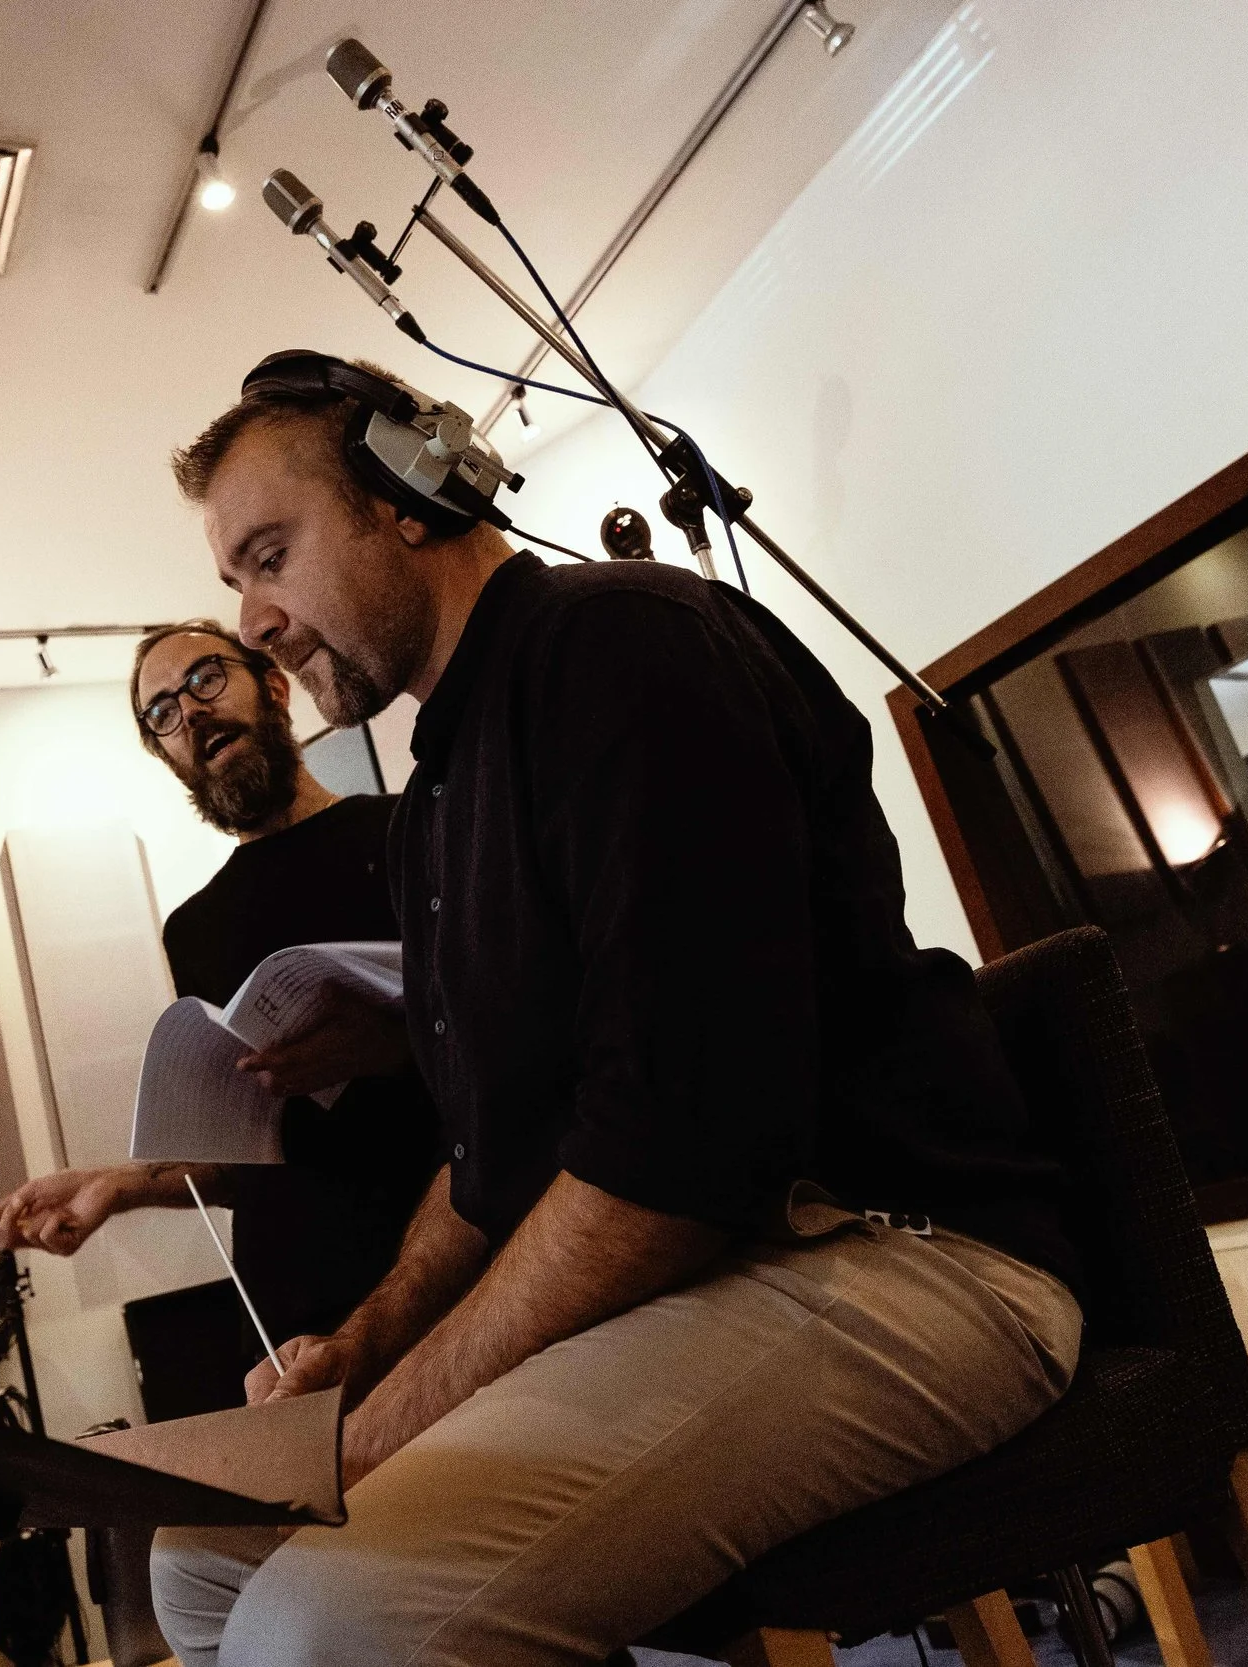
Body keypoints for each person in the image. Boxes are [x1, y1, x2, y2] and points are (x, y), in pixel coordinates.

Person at [145, 355, 1086, 1667]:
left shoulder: (625, 645)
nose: (254, 619)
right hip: (715, 1271)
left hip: (898, 1254)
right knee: (198, 1556)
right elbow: (488, 1175)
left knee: (325, 1624)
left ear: (404, 491)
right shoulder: (432, 812)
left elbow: (678, 1150)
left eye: (270, 554)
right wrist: (355, 1353)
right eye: (238, 579)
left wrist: (380, 1428)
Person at [0, 619, 440, 1354]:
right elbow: (251, 1152)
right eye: (162, 713)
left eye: (206, 678)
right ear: (167, 754)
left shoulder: (409, 830)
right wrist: (116, 1186)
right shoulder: (192, 929)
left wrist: (392, 1046)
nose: (188, 711)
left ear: (277, 689)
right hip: (291, 1322)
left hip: (434, 1284)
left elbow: (518, 1045)